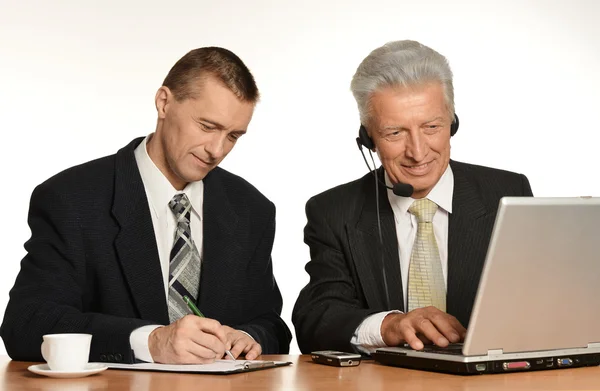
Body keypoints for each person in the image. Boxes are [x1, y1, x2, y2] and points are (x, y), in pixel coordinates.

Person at [1, 47, 291, 364]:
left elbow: (271, 324)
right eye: (207, 126)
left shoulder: (252, 210)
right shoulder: (72, 199)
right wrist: (150, 342)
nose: (216, 150)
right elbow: (27, 325)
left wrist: (249, 338)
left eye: (233, 136)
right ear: (163, 102)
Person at [292, 40, 533, 354]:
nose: (418, 152)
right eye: (395, 133)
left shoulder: (506, 194)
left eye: (432, 126)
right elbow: (316, 321)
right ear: (368, 138)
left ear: (453, 123)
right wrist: (389, 326)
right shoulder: (333, 212)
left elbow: (542, 301)